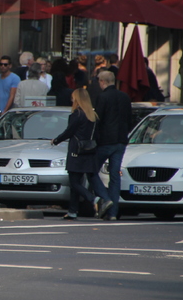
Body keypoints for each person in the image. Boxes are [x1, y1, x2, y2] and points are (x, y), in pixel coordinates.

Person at [51, 88, 113, 220]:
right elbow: (97, 135)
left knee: (74, 182)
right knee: (77, 182)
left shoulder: (77, 114)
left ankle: (94, 199)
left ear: (78, 99)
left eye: (73, 97)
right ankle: (73, 211)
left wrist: (56, 140)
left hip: (76, 151)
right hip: (89, 151)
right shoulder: (93, 115)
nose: (71, 99)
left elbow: (69, 132)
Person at [94, 70, 132, 221]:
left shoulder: (102, 97)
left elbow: (99, 120)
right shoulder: (124, 96)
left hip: (105, 141)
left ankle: (105, 198)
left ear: (102, 81)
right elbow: (129, 119)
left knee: (91, 171)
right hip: (120, 141)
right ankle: (113, 213)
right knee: (115, 176)